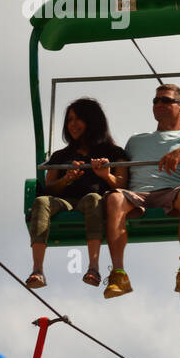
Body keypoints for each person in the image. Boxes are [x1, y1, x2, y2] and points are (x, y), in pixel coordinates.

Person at [103, 84, 180, 299]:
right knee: (114, 199)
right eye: (155, 101)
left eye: (165, 100)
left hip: (173, 192)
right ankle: (118, 273)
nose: (159, 104)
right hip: (138, 195)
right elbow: (122, 175)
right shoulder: (136, 141)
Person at [25, 99, 127, 290]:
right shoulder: (61, 156)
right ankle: (37, 269)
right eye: (70, 119)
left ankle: (93, 268)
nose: (73, 124)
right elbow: (49, 188)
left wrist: (105, 175)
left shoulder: (112, 152)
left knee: (93, 199)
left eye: (79, 119)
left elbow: (123, 183)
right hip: (66, 201)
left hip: (94, 201)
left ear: (92, 121)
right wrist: (66, 179)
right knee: (40, 202)